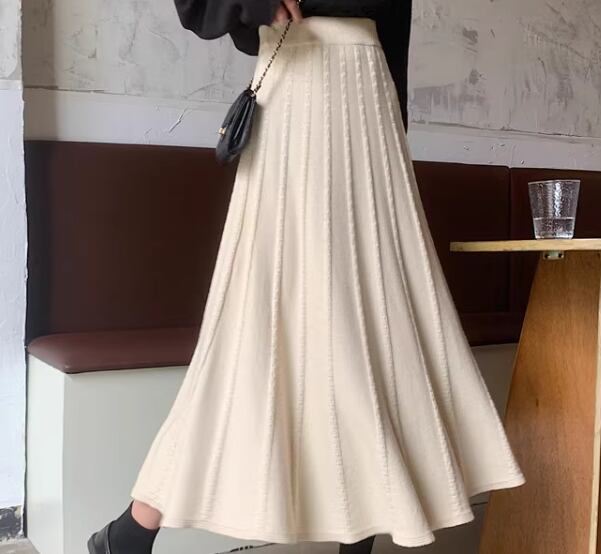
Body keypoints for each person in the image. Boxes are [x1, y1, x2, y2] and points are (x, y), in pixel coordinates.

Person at [88, 1, 526, 553]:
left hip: (371, 106)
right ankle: (136, 526)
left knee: (376, 321)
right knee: (260, 325)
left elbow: (394, 24)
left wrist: (393, 125)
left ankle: (135, 534)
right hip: (301, 90)